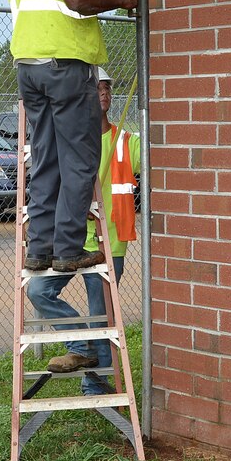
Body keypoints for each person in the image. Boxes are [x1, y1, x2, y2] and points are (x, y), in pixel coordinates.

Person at [6, 0, 139, 274]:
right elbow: (76, 0)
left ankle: (40, 249)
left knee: (46, 159)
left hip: (29, 69)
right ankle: (67, 249)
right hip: (65, 67)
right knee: (80, 159)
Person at [26, 67, 141, 393]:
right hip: (70, 243)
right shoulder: (67, 144)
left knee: (99, 314)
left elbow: (156, 161)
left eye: (107, 88)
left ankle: (95, 386)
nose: (103, 93)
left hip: (110, 243)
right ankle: (82, 346)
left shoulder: (125, 143)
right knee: (38, 291)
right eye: (96, 88)